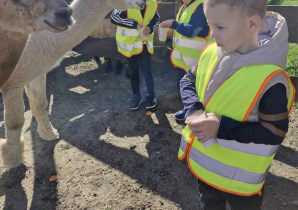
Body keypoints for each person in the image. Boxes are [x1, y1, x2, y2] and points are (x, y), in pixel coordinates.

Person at [178, 0, 296, 209]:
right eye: (210, 25)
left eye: (220, 27)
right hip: (206, 172)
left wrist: (221, 128)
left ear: (252, 24)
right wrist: (194, 109)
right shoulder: (210, 52)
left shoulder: (270, 80)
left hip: (240, 183)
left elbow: (274, 132)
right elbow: (187, 80)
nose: (212, 34)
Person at [159, 0, 213, 120]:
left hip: (197, 60)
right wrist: (171, 30)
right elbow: (183, 30)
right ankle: (188, 110)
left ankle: (199, 116)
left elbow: (193, 31)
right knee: (185, 87)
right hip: (184, 59)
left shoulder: (200, 7)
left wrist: (173, 23)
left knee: (197, 89)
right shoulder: (186, 6)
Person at [110, 0, 159, 110]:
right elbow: (114, 17)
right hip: (130, 44)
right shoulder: (126, 2)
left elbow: (156, 18)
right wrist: (135, 25)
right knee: (133, 71)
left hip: (144, 43)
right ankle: (136, 96)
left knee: (147, 70)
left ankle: (151, 97)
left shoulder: (152, 3)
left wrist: (150, 27)